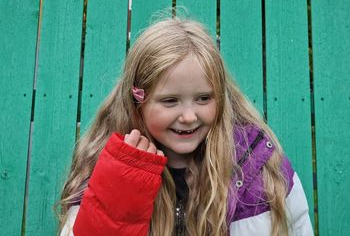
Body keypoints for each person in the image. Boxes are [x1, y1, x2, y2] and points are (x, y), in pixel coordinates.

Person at [58, 17, 313, 236]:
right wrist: (119, 198)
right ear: (137, 100)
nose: (189, 116)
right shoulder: (106, 167)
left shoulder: (257, 167)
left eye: (204, 98)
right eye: (170, 101)